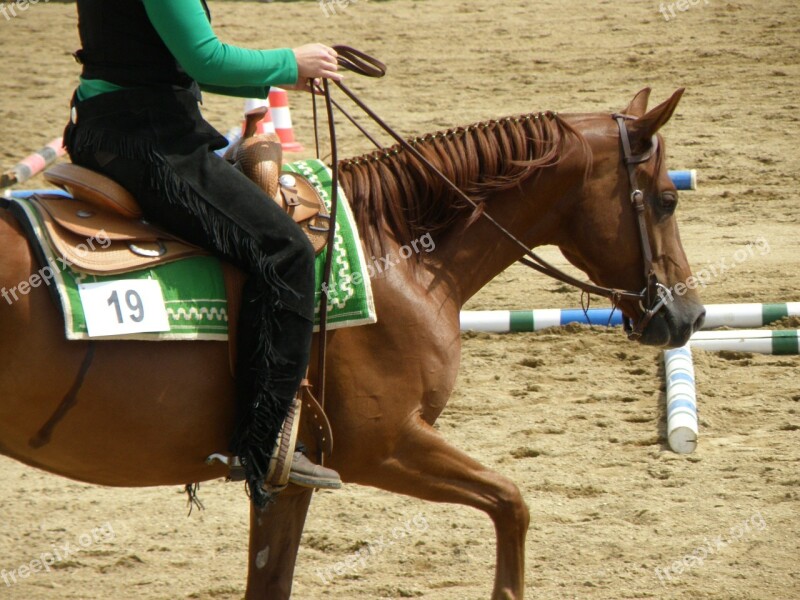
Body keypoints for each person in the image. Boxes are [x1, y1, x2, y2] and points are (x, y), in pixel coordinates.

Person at [63, 0, 343, 507]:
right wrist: (290, 61)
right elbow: (204, 59)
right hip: (149, 139)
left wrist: (281, 77)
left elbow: (166, 60)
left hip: (110, 125)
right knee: (286, 251)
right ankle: (263, 443)